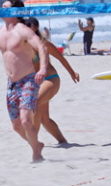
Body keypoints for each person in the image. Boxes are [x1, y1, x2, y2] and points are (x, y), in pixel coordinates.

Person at [0, 0, 49, 162]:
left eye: (5, 7)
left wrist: (42, 68)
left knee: (26, 120)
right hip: (12, 83)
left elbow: (41, 47)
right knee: (16, 126)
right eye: (1, 6)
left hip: (28, 79)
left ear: (15, 12)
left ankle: (36, 153)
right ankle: (36, 145)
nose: (2, 9)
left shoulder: (23, 31)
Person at [22, 17, 79, 145]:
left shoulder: (44, 44)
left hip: (51, 80)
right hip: (37, 83)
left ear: (34, 28)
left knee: (35, 103)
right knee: (44, 119)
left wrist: (72, 73)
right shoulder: (23, 46)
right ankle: (62, 141)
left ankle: (33, 140)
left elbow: (61, 59)